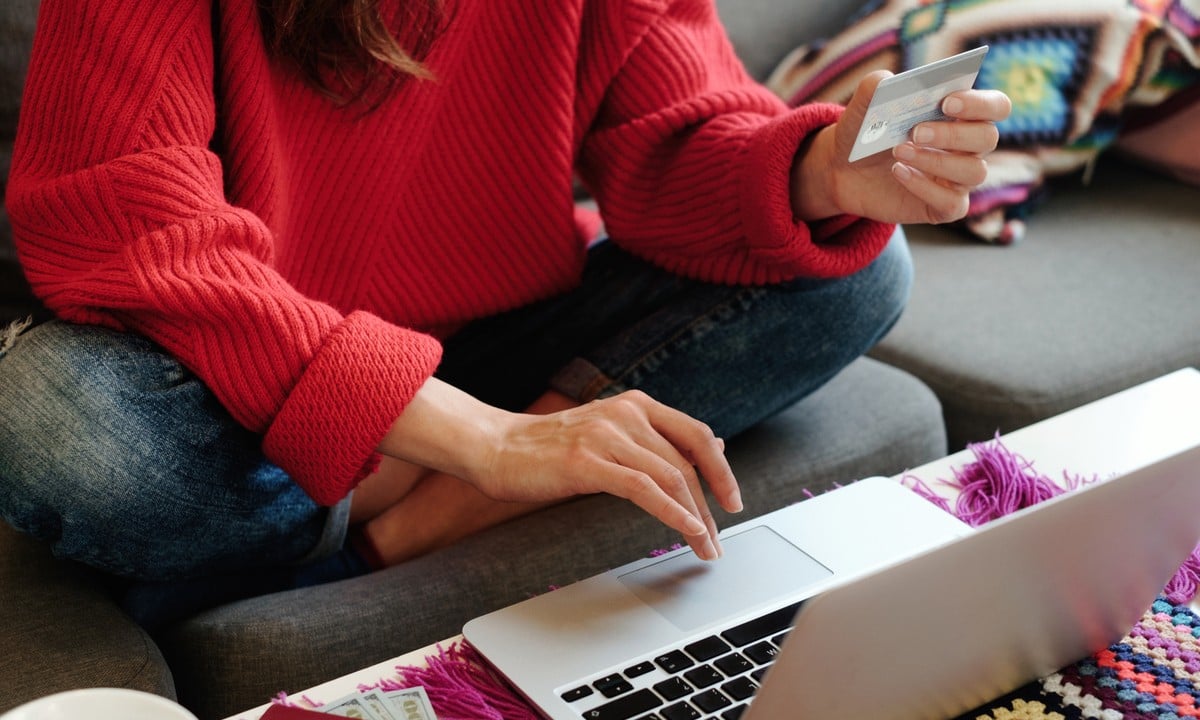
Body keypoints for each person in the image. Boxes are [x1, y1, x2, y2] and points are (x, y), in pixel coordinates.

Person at [0, 0, 1009, 621]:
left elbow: (675, 145)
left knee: (862, 270)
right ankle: (464, 467)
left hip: (484, 350)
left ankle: (384, 534)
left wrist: (820, 171)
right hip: (250, 380)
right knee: (54, 419)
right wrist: (482, 439)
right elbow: (123, 211)